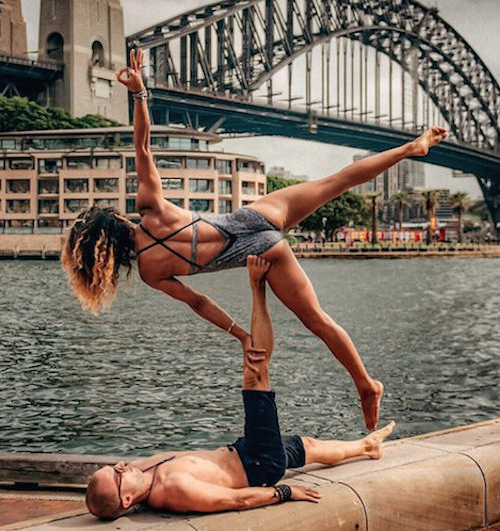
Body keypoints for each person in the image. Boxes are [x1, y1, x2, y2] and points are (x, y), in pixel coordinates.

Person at [62, 48, 447, 431]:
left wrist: (241, 335)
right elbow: (142, 146)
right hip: (254, 217)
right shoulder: (150, 208)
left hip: (263, 253)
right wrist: (140, 92)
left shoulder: (150, 272)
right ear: (115, 218)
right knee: (337, 181)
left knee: (316, 320)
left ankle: (365, 384)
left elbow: (199, 302)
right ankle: (412, 148)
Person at [85, 256, 395, 519]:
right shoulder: (171, 490)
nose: (123, 467)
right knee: (255, 372)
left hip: (245, 451)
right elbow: (235, 501)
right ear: (126, 500)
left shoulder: (140, 473)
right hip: (258, 463)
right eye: (116, 474)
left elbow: (197, 301)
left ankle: (367, 447)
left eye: (116, 466)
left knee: (308, 447)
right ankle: (257, 286)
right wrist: (286, 491)